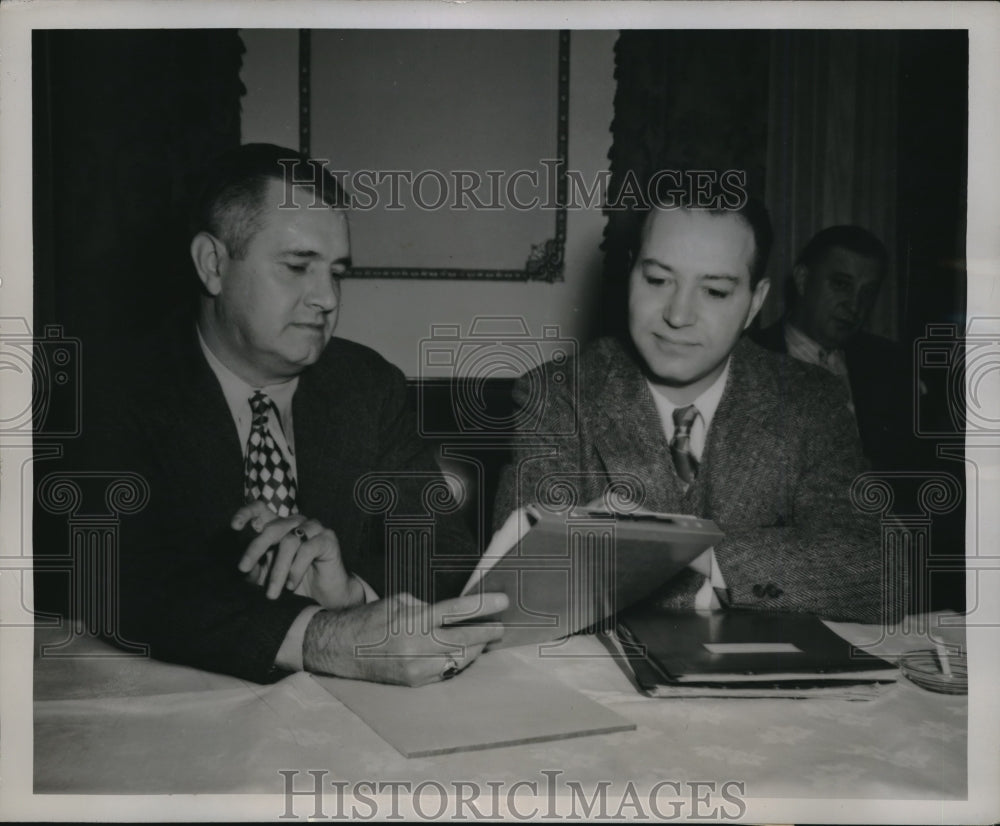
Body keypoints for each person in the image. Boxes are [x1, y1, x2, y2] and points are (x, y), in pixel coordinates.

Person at [88, 143, 505, 684]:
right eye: (297, 267)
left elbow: (447, 561)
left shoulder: (368, 385)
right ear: (213, 265)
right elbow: (116, 583)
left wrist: (351, 591)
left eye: (336, 272)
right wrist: (321, 636)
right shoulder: (118, 390)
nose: (327, 298)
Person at [495, 194, 902, 624]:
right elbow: (518, 593)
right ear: (630, 272)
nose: (678, 315)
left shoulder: (810, 400)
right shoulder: (557, 395)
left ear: (754, 303)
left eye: (714, 290)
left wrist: (690, 550)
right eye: (657, 280)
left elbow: (884, 574)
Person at [750, 225, 918, 471]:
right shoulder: (748, 359)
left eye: (867, 293)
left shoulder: (889, 364)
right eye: (841, 285)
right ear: (803, 280)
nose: (854, 305)